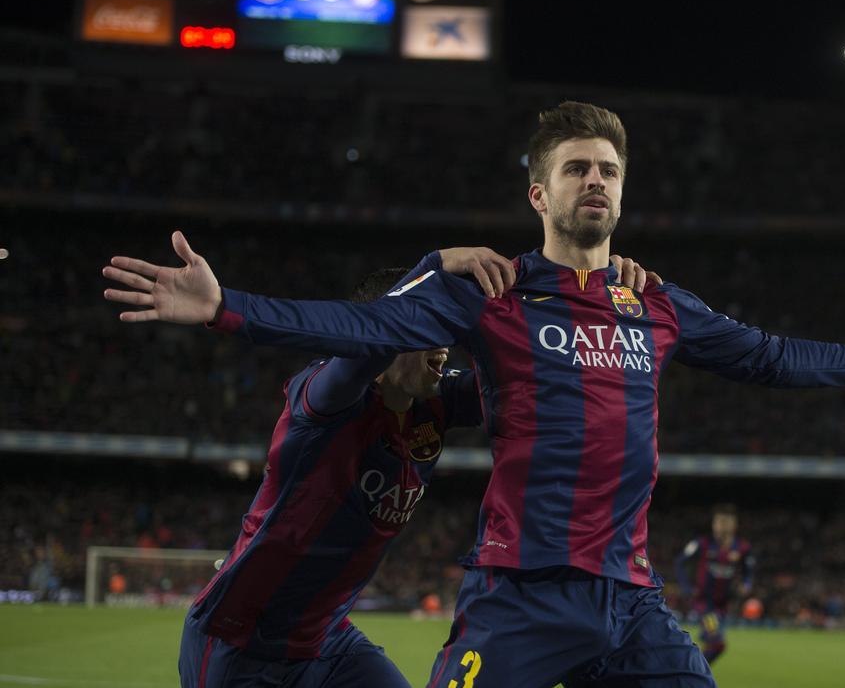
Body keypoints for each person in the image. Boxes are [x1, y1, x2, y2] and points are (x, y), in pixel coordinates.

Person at [105, 101, 845, 687]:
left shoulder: (657, 303)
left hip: (633, 597)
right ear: (539, 191)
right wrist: (228, 310)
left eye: (608, 167)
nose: (595, 179)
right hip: (522, 593)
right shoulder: (492, 296)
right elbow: (361, 330)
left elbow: (769, 356)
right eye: (575, 167)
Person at [175, 251, 653, 688]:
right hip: (237, 643)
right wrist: (436, 264)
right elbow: (365, 347)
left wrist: (597, 287)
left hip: (324, 642)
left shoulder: (434, 404)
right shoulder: (324, 399)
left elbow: (544, 368)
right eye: (422, 328)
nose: (442, 342)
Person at [674, 504, 754, 664]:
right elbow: (680, 562)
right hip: (704, 604)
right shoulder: (702, 543)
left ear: (734, 525)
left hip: (723, 606)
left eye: (726, 522)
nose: (722, 527)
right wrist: (686, 587)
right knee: (717, 644)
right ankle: (693, 674)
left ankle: (690, 671)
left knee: (711, 644)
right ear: (713, 525)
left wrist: (746, 584)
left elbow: (748, 570)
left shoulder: (743, 548)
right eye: (719, 522)